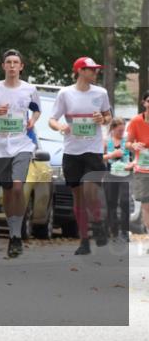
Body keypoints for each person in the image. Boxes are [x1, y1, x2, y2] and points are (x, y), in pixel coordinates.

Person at [0, 50, 41, 258]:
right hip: (1, 148)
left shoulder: (29, 89)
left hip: (23, 145)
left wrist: (33, 120)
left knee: (17, 186)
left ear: (21, 67)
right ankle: (13, 234)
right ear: (3, 66)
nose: (12, 66)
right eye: (8, 62)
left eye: (16, 62)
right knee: (9, 191)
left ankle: (16, 235)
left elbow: (37, 109)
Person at [48, 57, 112, 255]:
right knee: (78, 198)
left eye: (96, 70)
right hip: (72, 152)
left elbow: (108, 116)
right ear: (80, 71)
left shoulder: (101, 93)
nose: (95, 73)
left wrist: (103, 118)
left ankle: (99, 223)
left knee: (90, 193)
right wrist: (60, 127)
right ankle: (84, 240)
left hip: (92, 152)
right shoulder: (65, 93)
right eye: (92, 70)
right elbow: (52, 119)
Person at [102, 117, 132, 243]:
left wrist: (132, 164)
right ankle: (113, 230)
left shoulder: (128, 142)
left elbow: (136, 156)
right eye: (119, 130)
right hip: (110, 175)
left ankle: (124, 231)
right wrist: (112, 155)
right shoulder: (106, 141)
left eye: (123, 130)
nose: (121, 132)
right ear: (113, 129)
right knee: (111, 202)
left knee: (125, 201)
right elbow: (99, 158)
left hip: (125, 175)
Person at [126, 91, 149, 242]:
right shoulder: (135, 121)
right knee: (147, 206)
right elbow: (127, 143)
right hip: (143, 169)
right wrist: (133, 145)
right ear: (144, 103)